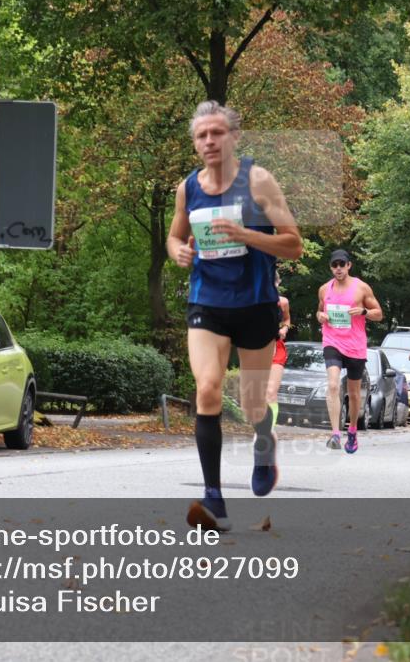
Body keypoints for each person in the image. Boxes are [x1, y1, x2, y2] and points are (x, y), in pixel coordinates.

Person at [167, 100, 303, 532]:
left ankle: (264, 442)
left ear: (233, 137)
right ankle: (214, 498)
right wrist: (179, 252)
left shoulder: (258, 181)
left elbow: (293, 243)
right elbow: (174, 236)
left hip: (255, 303)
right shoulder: (188, 188)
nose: (209, 141)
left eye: (217, 133)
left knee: (250, 403)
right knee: (207, 388)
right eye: (201, 135)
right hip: (207, 302)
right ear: (195, 143)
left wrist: (246, 234)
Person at [315, 249, 383, 454]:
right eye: (334, 265)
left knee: (353, 394)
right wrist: (320, 316)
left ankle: (352, 430)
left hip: (355, 346)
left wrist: (364, 312)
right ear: (331, 267)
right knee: (334, 385)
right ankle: (335, 433)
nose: (338, 269)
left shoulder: (361, 288)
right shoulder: (324, 289)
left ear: (348, 266)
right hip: (332, 341)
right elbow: (320, 309)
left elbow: (379, 314)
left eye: (341, 265)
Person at [264, 272, 292, 429]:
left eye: (274, 283)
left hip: (276, 348)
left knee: (271, 392)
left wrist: (285, 329)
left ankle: (268, 429)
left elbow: (287, 319)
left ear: (278, 283)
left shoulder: (283, 302)